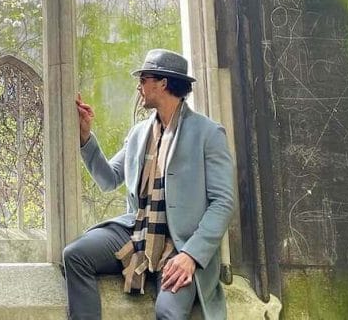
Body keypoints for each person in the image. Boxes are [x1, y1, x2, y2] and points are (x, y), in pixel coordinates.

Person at [62, 49, 235, 320]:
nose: (139, 87)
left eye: (143, 79)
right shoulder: (139, 133)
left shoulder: (208, 133)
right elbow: (108, 179)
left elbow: (223, 204)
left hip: (181, 243)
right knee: (75, 255)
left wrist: (191, 255)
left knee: (168, 312)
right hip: (137, 230)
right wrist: (85, 136)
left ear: (163, 83)